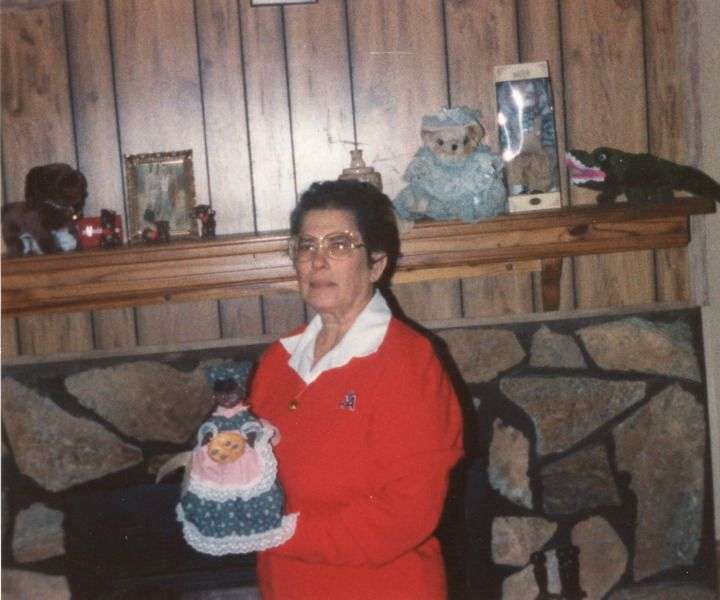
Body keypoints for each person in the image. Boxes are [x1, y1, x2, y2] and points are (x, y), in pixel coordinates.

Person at [249, 179, 464, 599]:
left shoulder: (409, 362)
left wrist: (279, 532)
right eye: (306, 246)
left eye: (340, 245)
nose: (318, 262)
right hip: (286, 585)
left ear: (376, 264)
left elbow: (405, 516)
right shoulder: (277, 361)